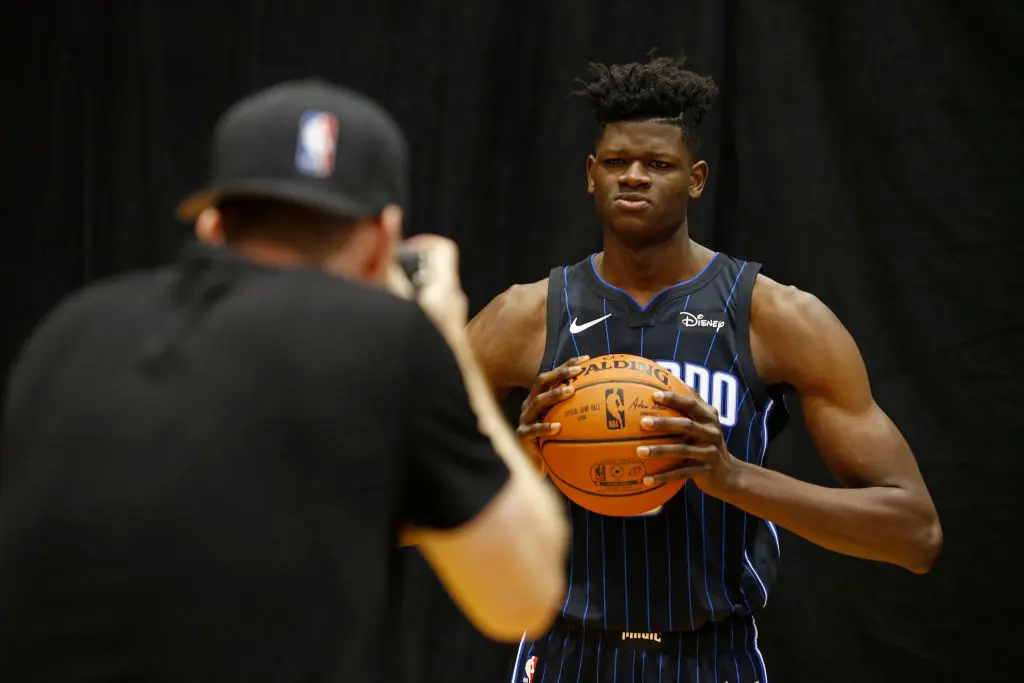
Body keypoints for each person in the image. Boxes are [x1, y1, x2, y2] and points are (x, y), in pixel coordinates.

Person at [0, 79, 568, 682]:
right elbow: (522, 596)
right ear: (382, 242)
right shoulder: (386, 337)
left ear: (213, 227)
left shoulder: (73, 328)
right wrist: (447, 342)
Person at [467, 54, 943, 683]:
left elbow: (915, 534)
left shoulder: (777, 317)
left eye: (657, 164)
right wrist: (516, 471)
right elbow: (389, 508)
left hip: (712, 657)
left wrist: (732, 477)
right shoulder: (521, 318)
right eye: (616, 163)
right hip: (564, 653)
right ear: (590, 175)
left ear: (695, 179)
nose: (633, 177)